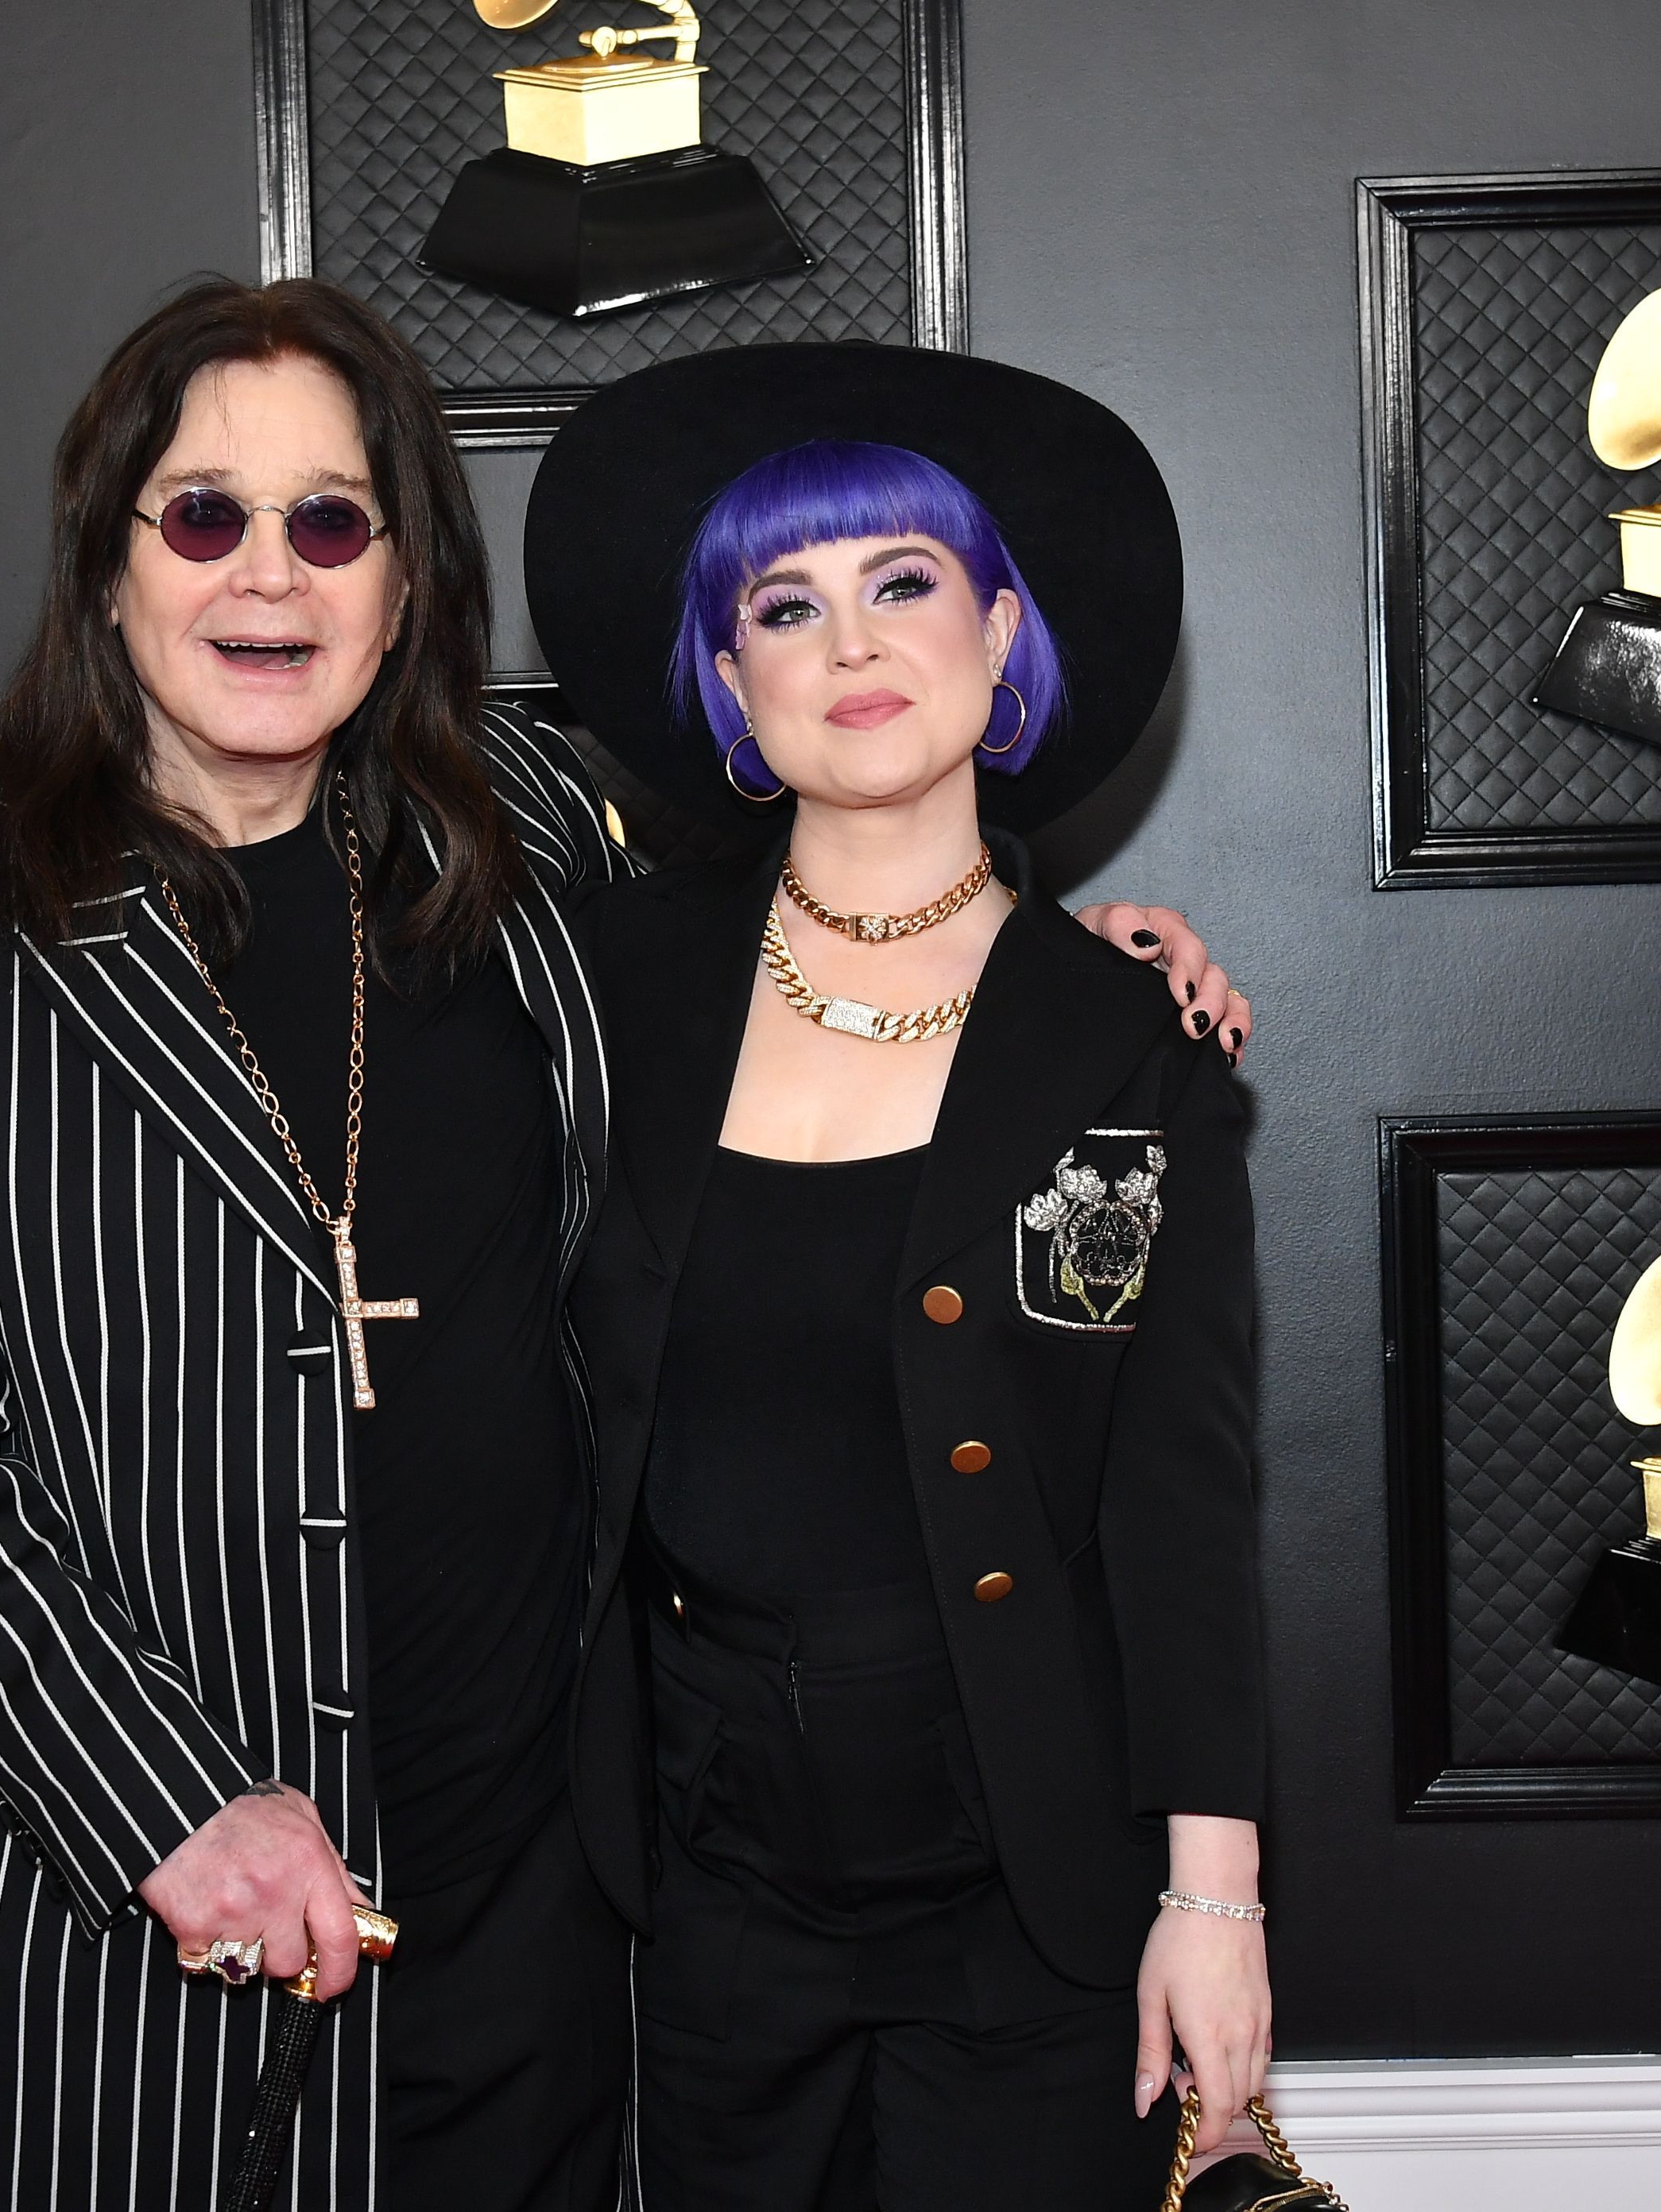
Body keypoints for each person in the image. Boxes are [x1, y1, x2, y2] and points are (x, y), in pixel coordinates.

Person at [0, 280, 1247, 2211]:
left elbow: (857, 844)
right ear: (108, 563)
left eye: (334, 519)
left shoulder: (529, 838)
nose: (268, 577)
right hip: (148, 1902)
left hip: (550, 1900)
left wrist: (1081, 973)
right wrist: (174, 1811)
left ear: (401, 584)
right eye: (205, 514)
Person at [528, 344, 1270, 2212]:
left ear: (1005, 630)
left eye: (906, 581)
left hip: (1029, 1884)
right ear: (726, 682)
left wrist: (1216, 1905)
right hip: (699, 1886)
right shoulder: (598, 994)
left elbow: (1184, 1512)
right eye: (785, 604)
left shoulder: (1129, 1035)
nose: (850, 641)